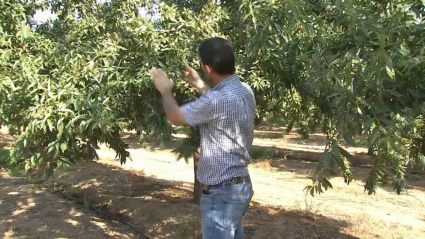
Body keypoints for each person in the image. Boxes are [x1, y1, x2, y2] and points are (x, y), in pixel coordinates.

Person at [149, 37, 255, 239]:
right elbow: (220, 103)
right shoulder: (245, 91)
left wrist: (165, 90)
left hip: (221, 194)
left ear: (207, 68)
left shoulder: (214, 102)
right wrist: (199, 84)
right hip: (240, 187)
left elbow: (175, 116)